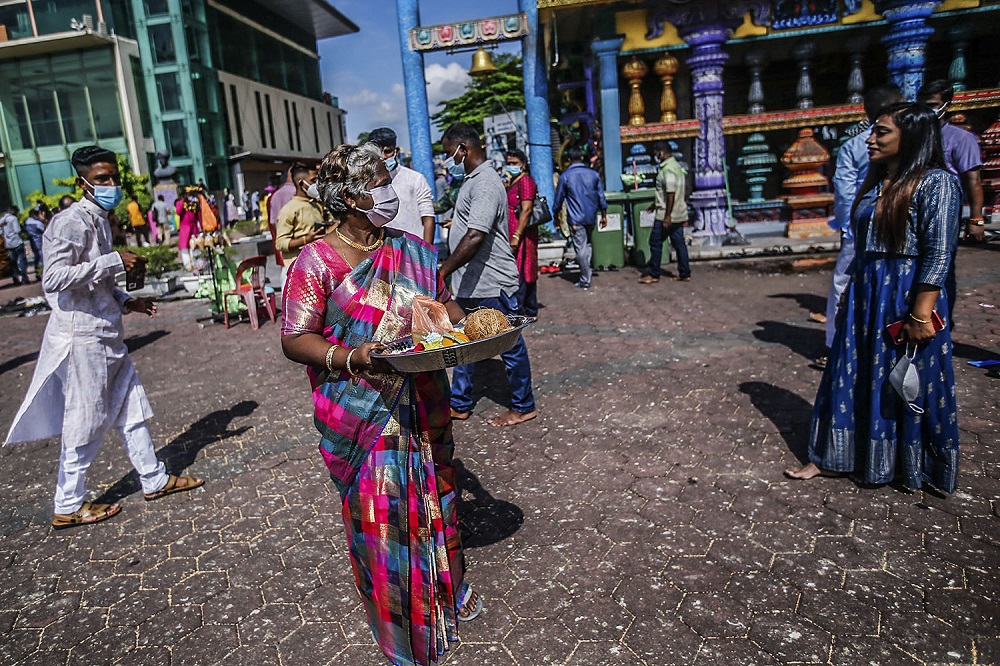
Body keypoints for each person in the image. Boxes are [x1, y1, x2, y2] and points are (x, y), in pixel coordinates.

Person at [280, 142, 480, 666]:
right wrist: (352, 358)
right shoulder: (316, 260)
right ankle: (402, 628)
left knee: (441, 491)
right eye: (377, 184)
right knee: (383, 518)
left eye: (388, 179)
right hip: (363, 413)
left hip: (423, 399)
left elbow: (441, 304)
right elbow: (295, 337)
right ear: (348, 196)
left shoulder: (411, 249)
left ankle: (449, 592)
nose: (389, 193)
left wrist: (470, 330)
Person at [4, 145, 204, 529]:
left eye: (114, 177)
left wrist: (129, 301)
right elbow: (55, 279)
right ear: (83, 182)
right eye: (102, 179)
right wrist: (115, 261)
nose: (111, 185)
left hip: (109, 332)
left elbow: (96, 284)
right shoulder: (68, 223)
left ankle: (154, 477)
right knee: (87, 418)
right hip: (83, 338)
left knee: (132, 407)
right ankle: (67, 503)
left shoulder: (101, 221)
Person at [786, 103, 961, 492]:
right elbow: (863, 250)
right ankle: (837, 458)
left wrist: (920, 314)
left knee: (905, 378)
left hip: (905, 294)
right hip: (867, 292)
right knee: (852, 372)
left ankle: (908, 466)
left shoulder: (936, 184)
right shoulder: (877, 181)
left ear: (911, 137)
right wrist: (849, 297)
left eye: (881, 132)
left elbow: (938, 253)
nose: (871, 138)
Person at [439, 122, 538, 428]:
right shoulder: (473, 180)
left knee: (506, 345)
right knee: (467, 342)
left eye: (447, 154)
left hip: (491, 282)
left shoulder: (484, 183)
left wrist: (443, 270)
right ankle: (460, 403)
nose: (446, 160)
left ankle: (524, 405)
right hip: (474, 282)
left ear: (463, 149)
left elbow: (475, 235)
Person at [813, 84, 904, 369]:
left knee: (865, 284)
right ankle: (844, 344)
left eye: (881, 134)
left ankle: (845, 344)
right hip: (864, 228)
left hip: (874, 229)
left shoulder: (861, 145)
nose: (873, 142)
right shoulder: (862, 145)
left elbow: (844, 192)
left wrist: (846, 227)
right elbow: (846, 192)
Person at [917, 79, 984, 326]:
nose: (928, 109)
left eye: (933, 104)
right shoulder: (916, 135)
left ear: (946, 103)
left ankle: (942, 321)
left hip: (946, 211)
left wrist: (976, 219)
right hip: (916, 209)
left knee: (942, 266)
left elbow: (973, 180)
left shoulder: (961, 138)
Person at [552, 146, 607, 289]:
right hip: (591, 216)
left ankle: (585, 277)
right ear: (582, 158)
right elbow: (601, 196)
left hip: (576, 218)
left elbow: (558, 200)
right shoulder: (593, 175)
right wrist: (604, 215)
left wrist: (555, 216)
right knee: (587, 245)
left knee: (580, 248)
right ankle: (586, 272)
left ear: (569, 160)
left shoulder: (565, 177)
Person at [369, 127, 436, 244]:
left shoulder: (415, 179)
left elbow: (428, 217)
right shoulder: (367, 183)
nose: (383, 157)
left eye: (388, 151)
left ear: (397, 151)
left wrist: (426, 254)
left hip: (412, 249)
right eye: (378, 153)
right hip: (381, 251)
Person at [639, 141, 691, 284]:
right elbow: (670, 193)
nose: (656, 156)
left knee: (655, 242)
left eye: (657, 153)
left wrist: (667, 216)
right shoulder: (677, 167)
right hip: (678, 212)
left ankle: (654, 274)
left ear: (661, 152)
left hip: (666, 215)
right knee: (679, 243)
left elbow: (670, 193)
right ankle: (684, 272)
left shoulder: (667, 170)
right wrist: (654, 204)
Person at [504, 149, 540, 317]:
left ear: (523, 164)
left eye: (514, 164)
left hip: (522, 235)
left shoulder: (525, 182)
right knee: (518, 270)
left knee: (524, 270)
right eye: (509, 163)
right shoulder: (513, 181)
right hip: (514, 234)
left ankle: (525, 309)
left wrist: (517, 235)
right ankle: (523, 308)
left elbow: (526, 210)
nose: (511, 166)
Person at [275, 162, 324, 283]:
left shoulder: (316, 205)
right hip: (297, 273)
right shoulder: (289, 210)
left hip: (317, 268)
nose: (316, 185)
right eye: (313, 181)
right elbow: (280, 243)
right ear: (301, 183)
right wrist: (306, 240)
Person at [2, 205, 28, 286]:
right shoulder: (14, 218)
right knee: (22, 261)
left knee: (13, 262)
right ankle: (24, 278)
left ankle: (15, 279)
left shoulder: (2, 219)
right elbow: (17, 230)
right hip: (17, 241)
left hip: (9, 243)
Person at [175, 189, 200, 271]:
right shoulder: (180, 203)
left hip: (193, 226)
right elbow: (178, 212)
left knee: (195, 246)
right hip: (185, 228)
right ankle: (188, 266)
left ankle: (197, 264)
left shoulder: (193, 202)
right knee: (184, 248)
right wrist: (183, 202)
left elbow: (198, 214)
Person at [25, 204, 48, 279]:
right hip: (40, 242)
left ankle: (37, 273)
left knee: (36, 257)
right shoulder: (37, 223)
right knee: (42, 258)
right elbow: (45, 230)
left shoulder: (27, 222)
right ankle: (41, 272)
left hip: (33, 242)